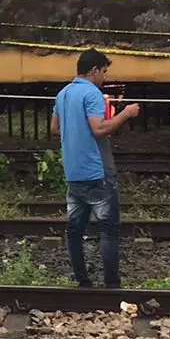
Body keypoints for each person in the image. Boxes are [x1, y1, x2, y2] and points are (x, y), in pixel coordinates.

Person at [52, 49, 140, 288]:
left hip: (73, 173)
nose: (104, 77)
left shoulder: (64, 93)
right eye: (104, 72)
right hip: (97, 172)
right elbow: (99, 129)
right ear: (94, 70)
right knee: (109, 230)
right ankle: (111, 284)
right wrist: (126, 114)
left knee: (74, 231)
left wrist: (75, 133)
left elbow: (55, 128)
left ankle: (83, 282)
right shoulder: (92, 93)